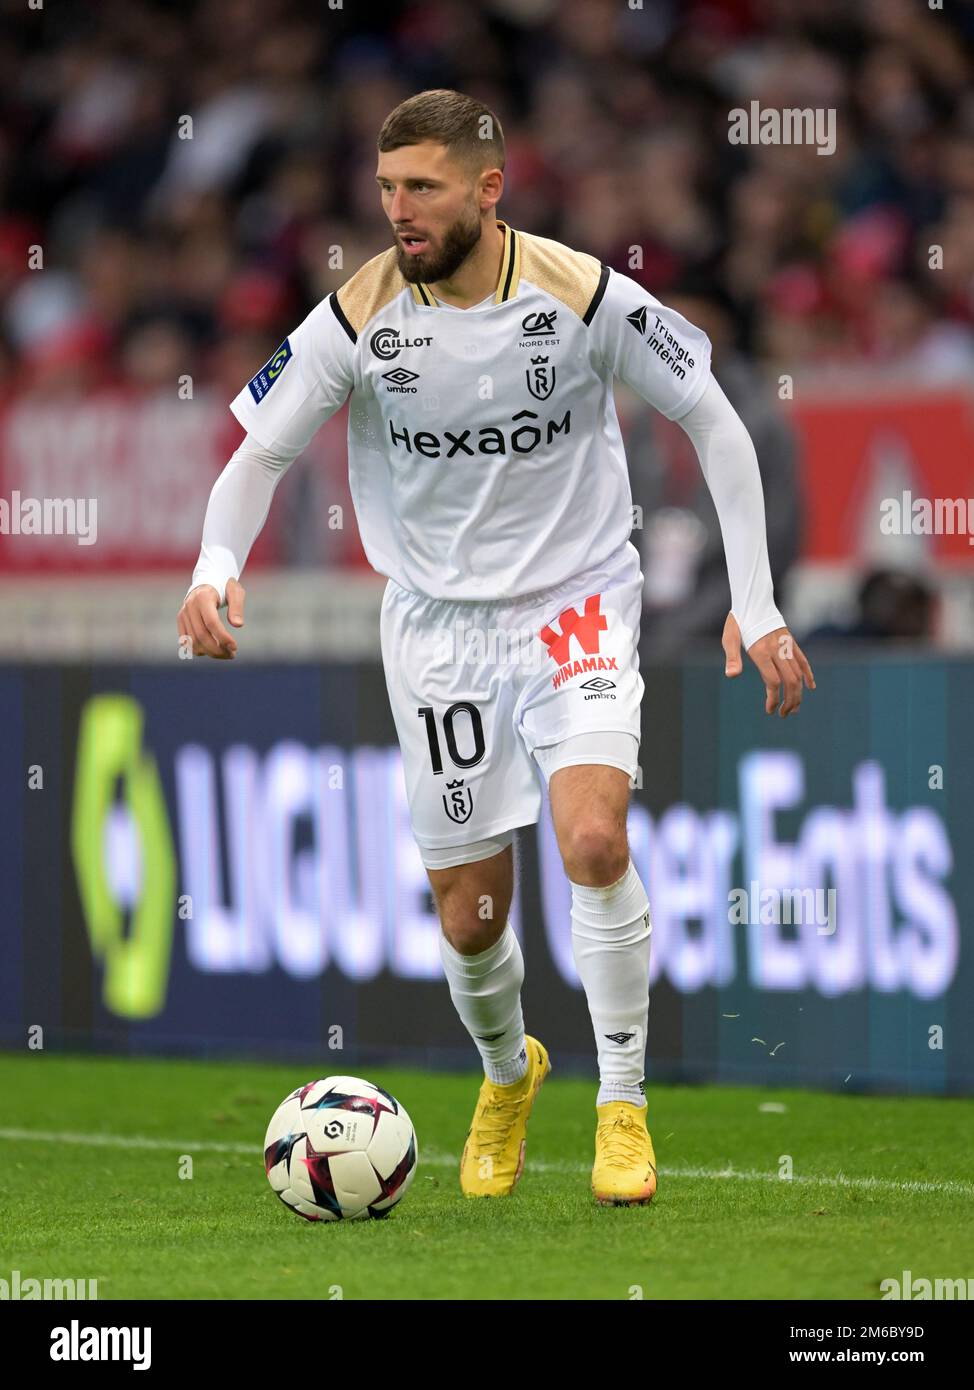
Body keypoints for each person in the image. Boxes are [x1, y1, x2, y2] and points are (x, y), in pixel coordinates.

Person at [179, 88, 815, 1207]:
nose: (397, 211)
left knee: (591, 840)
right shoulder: (359, 314)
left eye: (419, 187)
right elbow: (254, 460)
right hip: (434, 627)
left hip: (575, 599)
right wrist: (212, 569)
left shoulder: (579, 294)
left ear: (487, 186)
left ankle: (623, 1106)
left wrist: (753, 604)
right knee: (469, 916)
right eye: (384, 189)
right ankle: (506, 1070)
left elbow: (710, 415)